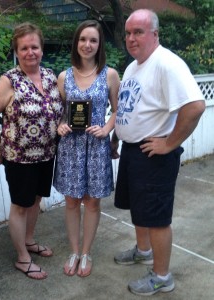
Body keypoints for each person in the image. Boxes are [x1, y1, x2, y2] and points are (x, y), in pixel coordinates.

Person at [111, 9, 205, 296]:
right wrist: (117, 136)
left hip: (154, 155)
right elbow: (130, 108)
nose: (131, 38)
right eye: (128, 33)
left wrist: (169, 143)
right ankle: (143, 250)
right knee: (140, 210)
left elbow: (195, 106)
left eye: (138, 32)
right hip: (132, 150)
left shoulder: (167, 64)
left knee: (157, 217)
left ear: (155, 34)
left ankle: (162, 277)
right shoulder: (133, 66)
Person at [0, 22, 63, 280]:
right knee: (20, 205)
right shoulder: (9, 81)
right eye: (24, 48)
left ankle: (29, 240)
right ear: (17, 51)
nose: (31, 52)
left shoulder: (51, 77)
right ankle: (22, 258)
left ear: (42, 49)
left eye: (35, 47)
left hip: (47, 154)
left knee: (36, 200)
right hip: (19, 158)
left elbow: (60, 111)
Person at [53, 20, 120, 277]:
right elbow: (61, 114)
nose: (87, 45)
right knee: (71, 202)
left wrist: (106, 129)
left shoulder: (110, 74)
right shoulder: (64, 76)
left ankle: (86, 252)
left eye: (93, 40)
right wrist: (60, 126)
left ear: (99, 44)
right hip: (71, 147)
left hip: (96, 146)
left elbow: (117, 110)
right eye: (83, 39)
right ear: (76, 43)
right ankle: (73, 250)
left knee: (92, 203)